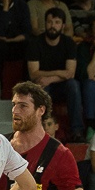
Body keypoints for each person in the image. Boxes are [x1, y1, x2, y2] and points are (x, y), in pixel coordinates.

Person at [26, 8, 83, 143]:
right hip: (43, 85)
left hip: (61, 85)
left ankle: (77, 131)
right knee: (40, 87)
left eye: (57, 22)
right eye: (50, 22)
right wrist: (59, 73)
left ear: (63, 25)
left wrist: (50, 78)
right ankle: (40, 131)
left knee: (73, 85)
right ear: (45, 23)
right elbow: (33, 74)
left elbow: (71, 73)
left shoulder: (68, 43)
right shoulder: (35, 43)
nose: (53, 25)